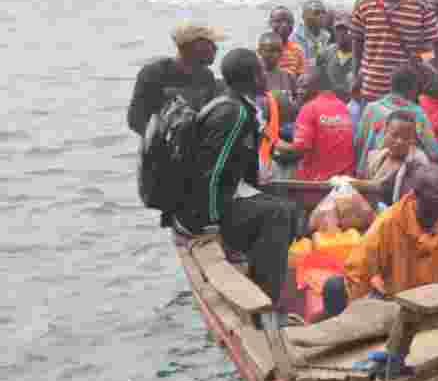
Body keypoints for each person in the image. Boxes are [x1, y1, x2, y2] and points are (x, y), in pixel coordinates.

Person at [174, 48, 301, 304]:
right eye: (261, 71)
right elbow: (213, 172)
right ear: (254, 78)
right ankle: (265, 302)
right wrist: (210, 227)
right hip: (202, 214)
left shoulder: (237, 105)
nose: (266, 76)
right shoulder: (233, 114)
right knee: (278, 214)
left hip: (221, 198)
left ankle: (258, 272)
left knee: (288, 208)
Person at [341, 164, 438, 302]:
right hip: (393, 304)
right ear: (416, 195)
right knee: (335, 286)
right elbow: (358, 270)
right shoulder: (388, 223)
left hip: (435, 306)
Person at [351, 0, 438, 103]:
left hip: (407, 91)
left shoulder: (419, 4)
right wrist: (355, 75)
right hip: (371, 88)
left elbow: (436, 43)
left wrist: (437, 74)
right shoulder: (364, 4)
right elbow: (357, 44)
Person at [127, 23, 221, 136]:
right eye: (210, 44)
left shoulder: (206, 76)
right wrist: (162, 138)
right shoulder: (154, 73)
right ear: (196, 47)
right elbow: (135, 119)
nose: (216, 48)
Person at [273, 64, 355, 181]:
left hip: (317, 182)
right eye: (298, 87)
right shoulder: (342, 107)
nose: (299, 92)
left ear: (317, 87)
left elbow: (299, 149)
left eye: (304, 87)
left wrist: (273, 140)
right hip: (344, 180)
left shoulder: (309, 108)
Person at [354, 66, 438, 175]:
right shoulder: (418, 115)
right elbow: (434, 151)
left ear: (391, 85)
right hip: (403, 175)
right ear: (413, 89)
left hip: (369, 170)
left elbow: (359, 143)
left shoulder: (371, 108)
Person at [351, 110, 431, 209]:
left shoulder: (417, 163)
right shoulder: (376, 157)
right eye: (394, 135)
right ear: (385, 133)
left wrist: (350, 183)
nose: (399, 142)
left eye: (406, 138)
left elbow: (383, 187)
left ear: (413, 139)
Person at [268, 6, 306, 76]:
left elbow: (300, 77)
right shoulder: (263, 50)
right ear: (270, 23)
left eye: (289, 21)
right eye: (278, 21)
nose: (284, 25)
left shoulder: (297, 50)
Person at [291, 0, 331, 64]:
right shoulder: (294, 38)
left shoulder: (327, 36)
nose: (322, 16)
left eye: (324, 13)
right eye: (316, 13)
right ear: (304, 16)